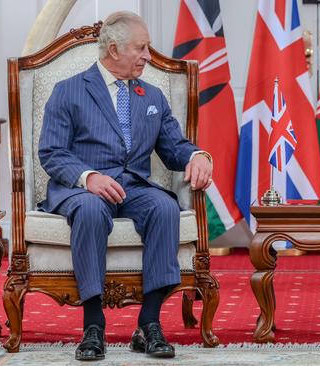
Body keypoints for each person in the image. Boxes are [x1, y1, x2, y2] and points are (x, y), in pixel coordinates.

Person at [38, 11, 213, 361]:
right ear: (114, 49)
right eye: (142, 48)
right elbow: (52, 153)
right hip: (84, 189)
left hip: (133, 186)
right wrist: (89, 177)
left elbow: (173, 147)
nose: (149, 56)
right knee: (89, 211)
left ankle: (148, 325)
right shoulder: (68, 91)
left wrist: (199, 155)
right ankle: (93, 326)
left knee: (165, 207)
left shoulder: (152, 96)